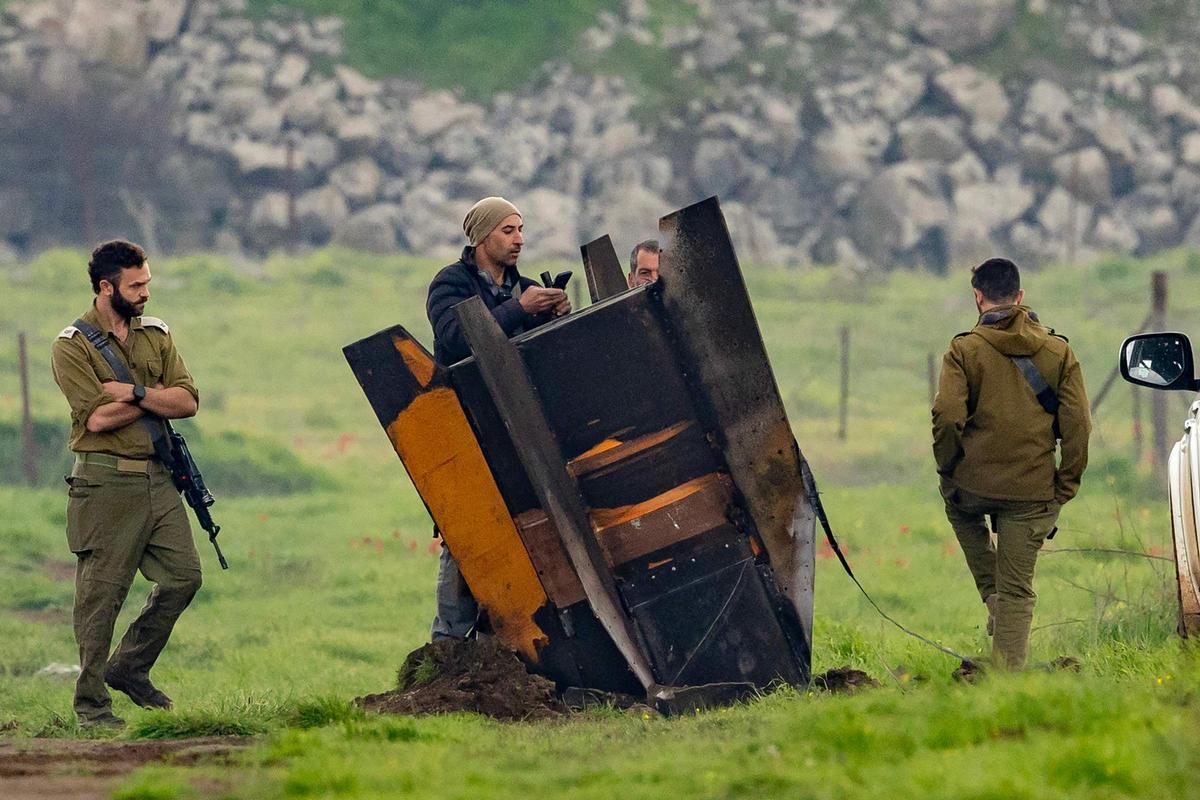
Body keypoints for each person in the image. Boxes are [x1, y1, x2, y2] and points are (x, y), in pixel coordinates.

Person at [51, 240, 203, 727]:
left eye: (147, 283)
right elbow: (97, 420)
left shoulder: (155, 334)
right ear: (105, 287)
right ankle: (91, 708)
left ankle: (129, 667)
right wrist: (155, 398)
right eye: (136, 286)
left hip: (158, 480)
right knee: (101, 597)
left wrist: (135, 393)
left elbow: (188, 402)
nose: (145, 293)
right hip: (105, 484)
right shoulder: (71, 346)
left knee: (184, 577)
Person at [932, 257, 1090, 670]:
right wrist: (1064, 487)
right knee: (1019, 591)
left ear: (978, 297)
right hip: (1032, 490)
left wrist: (949, 470)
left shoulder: (963, 349)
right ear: (1020, 297)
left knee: (957, 507)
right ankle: (1006, 683)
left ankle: (992, 598)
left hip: (974, 485)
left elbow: (947, 416)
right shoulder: (1059, 352)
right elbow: (1079, 426)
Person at [425, 196, 570, 639]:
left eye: (520, 229)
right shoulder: (450, 284)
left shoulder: (523, 285)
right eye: (508, 231)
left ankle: (510, 640)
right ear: (482, 236)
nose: (519, 240)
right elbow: (453, 341)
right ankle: (447, 644)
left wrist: (554, 316)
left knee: (529, 526)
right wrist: (519, 310)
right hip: (468, 428)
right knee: (465, 531)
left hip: (521, 430)